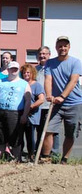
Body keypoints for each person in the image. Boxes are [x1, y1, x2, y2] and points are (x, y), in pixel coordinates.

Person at [42, 36, 82, 164]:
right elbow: (48, 79)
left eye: (65, 46)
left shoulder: (75, 62)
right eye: (60, 46)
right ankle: (46, 158)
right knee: (48, 130)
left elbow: (73, 80)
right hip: (56, 104)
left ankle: (64, 159)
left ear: (69, 47)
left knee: (70, 133)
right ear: (56, 47)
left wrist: (62, 96)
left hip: (74, 103)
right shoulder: (50, 63)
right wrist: (49, 95)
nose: (62, 48)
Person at [0, 61, 31, 162]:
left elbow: (28, 100)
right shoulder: (1, 81)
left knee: (15, 139)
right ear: (8, 70)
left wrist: (24, 115)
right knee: (0, 137)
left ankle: (17, 160)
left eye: (16, 69)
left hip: (15, 113)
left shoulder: (24, 83)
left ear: (18, 70)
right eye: (12, 69)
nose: (14, 71)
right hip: (0, 112)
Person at [35, 46, 59, 155]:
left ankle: (53, 153)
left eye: (45, 54)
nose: (42, 56)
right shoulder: (35, 70)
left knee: (52, 130)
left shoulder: (54, 69)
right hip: (39, 105)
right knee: (40, 130)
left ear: (49, 55)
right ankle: (40, 152)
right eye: (40, 54)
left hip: (50, 104)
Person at [20, 64, 44, 161]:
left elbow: (41, 99)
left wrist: (31, 107)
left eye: (28, 72)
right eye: (24, 72)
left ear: (32, 73)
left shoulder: (36, 85)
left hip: (31, 115)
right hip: (20, 113)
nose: (26, 74)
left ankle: (31, 155)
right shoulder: (21, 84)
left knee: (30, 136)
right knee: (19, 136)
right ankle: (19, 155)